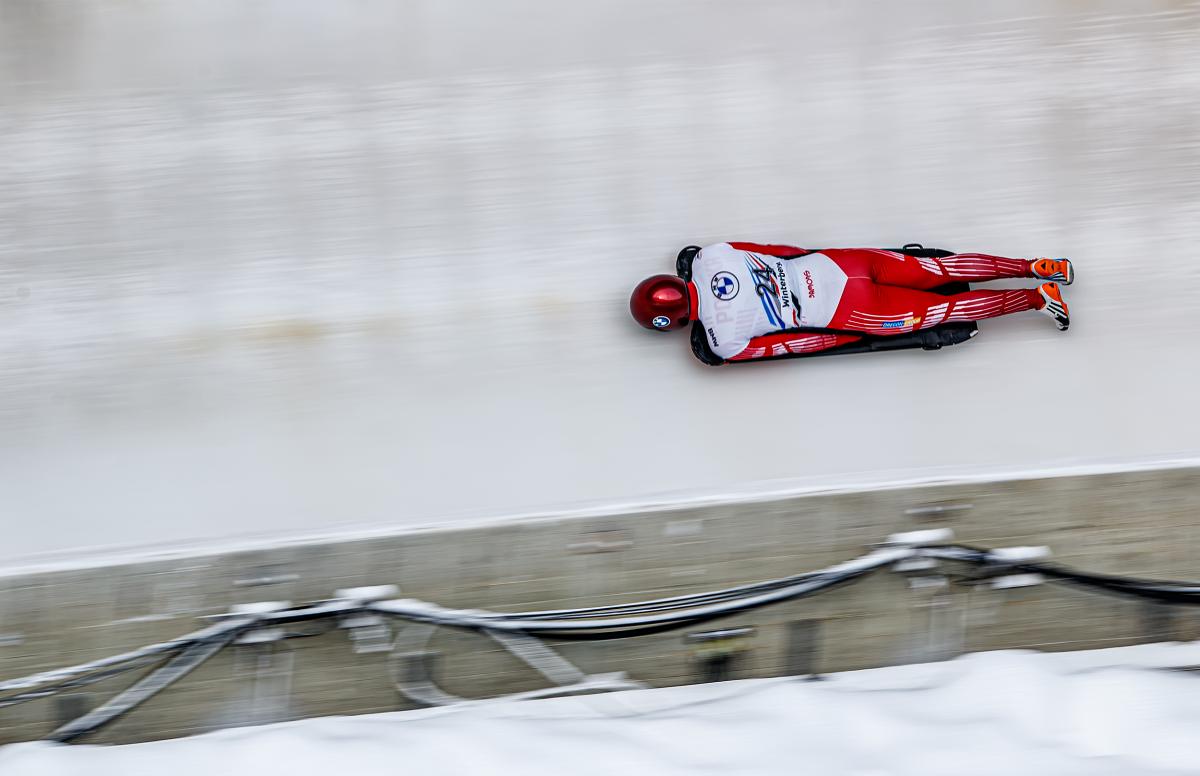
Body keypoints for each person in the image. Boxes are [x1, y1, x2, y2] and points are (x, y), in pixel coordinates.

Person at [629, 242, 1072, 363]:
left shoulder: (723, 339)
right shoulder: (712, 255)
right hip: (839, 263)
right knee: (942, 270)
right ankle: (1038, 265)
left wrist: (845, 337)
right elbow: (780, 250)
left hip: (851, 311)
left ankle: (1036, 299)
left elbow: (795, 344)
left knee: (945, 311)